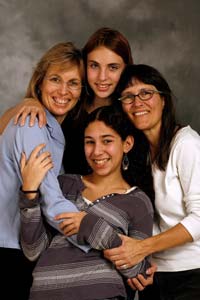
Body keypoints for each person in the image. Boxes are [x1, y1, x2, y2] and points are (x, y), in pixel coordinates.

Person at [0, 28, 156, 288]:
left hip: (101, 253)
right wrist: (26, 103)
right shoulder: (51, 119)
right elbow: (52, 201)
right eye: (94, 66)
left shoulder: (132, 117)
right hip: (48, 245)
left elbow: (143, 202)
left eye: (113, 67)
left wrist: (141, 251)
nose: (103, 77)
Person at [19, 105, 154, 300]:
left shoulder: (138, 202)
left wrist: (89, 225)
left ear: (127, 144)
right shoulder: (63, 185)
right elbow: (33, 251)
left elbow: (138, 271)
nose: (97, 151)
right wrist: (30, 194)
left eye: (107, 141)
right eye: (89, 142)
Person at [103, 64, 200, 300]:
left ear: (164, 99)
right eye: (128, 96)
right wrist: (137, 263)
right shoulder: (139, 153)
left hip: (191, 275)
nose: (137, 102)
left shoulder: (186, 143)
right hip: (153, 275)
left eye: (146, 93)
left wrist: (142, 249)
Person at [0, 41, 87, 299]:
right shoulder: (32, 124)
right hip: (9, 253)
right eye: (55, 79)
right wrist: (108, 238)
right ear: (40, 82)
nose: (63, 90)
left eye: (73, 83)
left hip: (20, 247)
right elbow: (53, 206)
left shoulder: (52, 129)